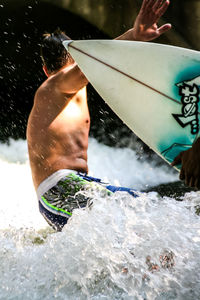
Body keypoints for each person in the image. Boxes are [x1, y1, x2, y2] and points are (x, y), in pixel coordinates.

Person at [27, 0, 171, 231]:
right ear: (75, 59)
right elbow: (94, 63)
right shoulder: (55, 85)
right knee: (144, 207)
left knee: (133, 231)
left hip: (72, 189)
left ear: (44, 68)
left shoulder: (64, 91)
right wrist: (135, 35)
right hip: (60, 190)